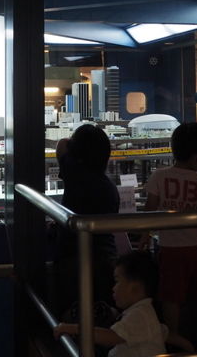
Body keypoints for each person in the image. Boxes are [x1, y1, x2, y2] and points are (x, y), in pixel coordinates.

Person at [140, 122, 197, 345]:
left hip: (170, 248)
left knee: (171, 294)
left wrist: (145, 233)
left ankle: (173, 334)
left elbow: (150, 210)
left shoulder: (159, 177)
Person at [54, 250, 193, 356]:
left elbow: (110, 337)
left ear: (135, 288)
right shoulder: (144, 314)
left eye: (117, 281)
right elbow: (165, 334)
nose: (113, 288)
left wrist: (71, 328)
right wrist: (188, 347)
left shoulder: (139, 315)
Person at [53, 124, 120, 318]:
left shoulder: (73, 172)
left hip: (72, 257)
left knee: (73, 312)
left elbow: (62, 143)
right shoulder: (109, 189)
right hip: (105, 258)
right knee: (103, 312)